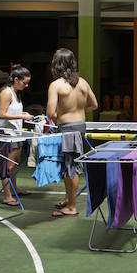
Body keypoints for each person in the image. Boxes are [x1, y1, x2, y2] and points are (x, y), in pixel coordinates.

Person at [46, 48, 98, 217]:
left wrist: (62, 115)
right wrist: (77, 110)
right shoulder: (82, 82)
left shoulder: (56, 85)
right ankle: (68, 199)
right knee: (70, 164)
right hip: (80, 125)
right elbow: (94, 104)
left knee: (71, 167)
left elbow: (50, 113)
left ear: (56, 64)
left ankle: (72, 207)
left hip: (67, 128)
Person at [0, 65, 35, 206]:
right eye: (24, 82)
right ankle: (7, 196)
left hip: (16, 134)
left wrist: (23, 114)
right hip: (6, 135)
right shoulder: (6, 93)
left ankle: (15, 189)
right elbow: (2, 114)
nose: (26, 85)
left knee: (15, 164)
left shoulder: (16, 93)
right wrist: (22, 117)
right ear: (16, 79)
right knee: (7, 166)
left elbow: (12, 112)